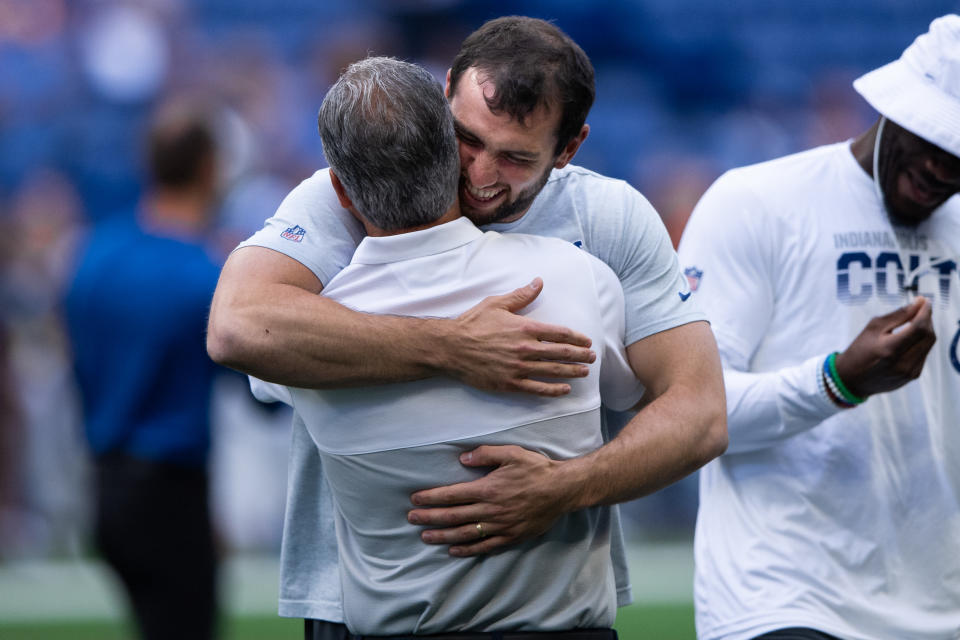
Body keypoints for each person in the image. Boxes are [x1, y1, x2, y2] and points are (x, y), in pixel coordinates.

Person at [207, 16, 727, 637]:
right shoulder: (349, 190)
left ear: (569, 148)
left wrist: (565, 486)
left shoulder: (604, 216)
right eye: (468, 140)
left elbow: (700, 412)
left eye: (515, 158)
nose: (480, 175)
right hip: (355, 597)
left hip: (548, 597)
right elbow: (238, 328)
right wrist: (452, 346)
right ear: (445, 92)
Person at [677, 14, 960, 640]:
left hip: (940, 604)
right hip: (782, 600)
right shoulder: (755, 202)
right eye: (933, 140)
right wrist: (838, 380)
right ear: (895, 109)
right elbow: (693, 409)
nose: (944, 168)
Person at [64, 98, 223, 640]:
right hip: (170, 488)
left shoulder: (92, 255)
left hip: (104, 485)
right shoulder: (202, 274)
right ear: (209, 166)